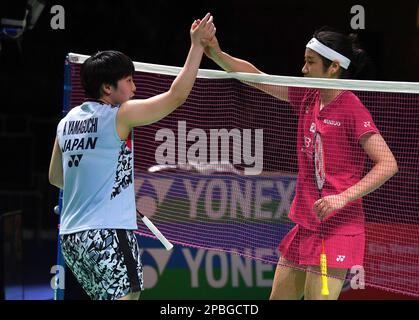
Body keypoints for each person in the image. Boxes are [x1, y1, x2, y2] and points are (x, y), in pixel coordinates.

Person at [202, 25, 398, 300]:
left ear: (334, 67)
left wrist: (342, 198)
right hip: (307, 222)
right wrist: (217, 54)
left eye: (310, 62)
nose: (303, 69)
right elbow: (258, 78)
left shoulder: (351, 108)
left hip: (337, 226)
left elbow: (388, 163)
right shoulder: (308, 95)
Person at [48, 13, 216, 300]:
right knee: (128, 297)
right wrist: (197, 45)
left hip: (72, 239)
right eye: (128, 80)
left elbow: (56, 177)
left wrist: (105, 193)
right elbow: (176, 97)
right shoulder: (119, 115)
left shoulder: (67, 121)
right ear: (107, 88)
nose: (134, 87)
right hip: (109, 232)